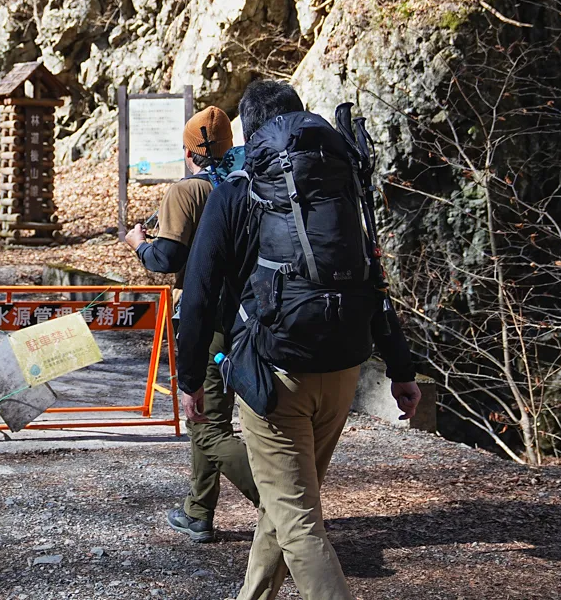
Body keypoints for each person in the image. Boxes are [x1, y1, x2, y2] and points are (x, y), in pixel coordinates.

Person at [176, 79, 422, 600]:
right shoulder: (338, 189)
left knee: (299, 524)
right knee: (284, 505)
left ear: (248, 130)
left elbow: (197, 293)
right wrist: (401, 369)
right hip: (342, 369)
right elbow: (370, 282)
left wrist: (189, 378)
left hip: (274, 374)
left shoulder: (235, 194)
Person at [125, 105, 258, 543]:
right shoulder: (249, 182)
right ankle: (198, 510)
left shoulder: (186, 192)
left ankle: (280, 502)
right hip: (248, 314)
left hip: (206, 318)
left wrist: (139, 244)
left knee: (206, 422)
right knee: (207, 415)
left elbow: (168, 259)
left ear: (188, 151)